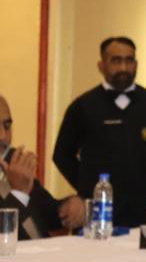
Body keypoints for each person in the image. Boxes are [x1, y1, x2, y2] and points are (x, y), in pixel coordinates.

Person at [52, 36, 146, 228]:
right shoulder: (83, 106)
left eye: (129, 60)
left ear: (136, 64)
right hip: (97, 218)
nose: (123, 67)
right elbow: (62, 155)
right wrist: (87, 185)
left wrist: (140, 176)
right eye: (116, 60)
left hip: (143, 215)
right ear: (101, 65)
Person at [1, 94, 84, 238]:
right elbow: (6, 235)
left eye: (7, 126)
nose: (3, 136)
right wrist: (18, 193)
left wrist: (69, 208)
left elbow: (45, 211)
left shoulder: (12, 160)